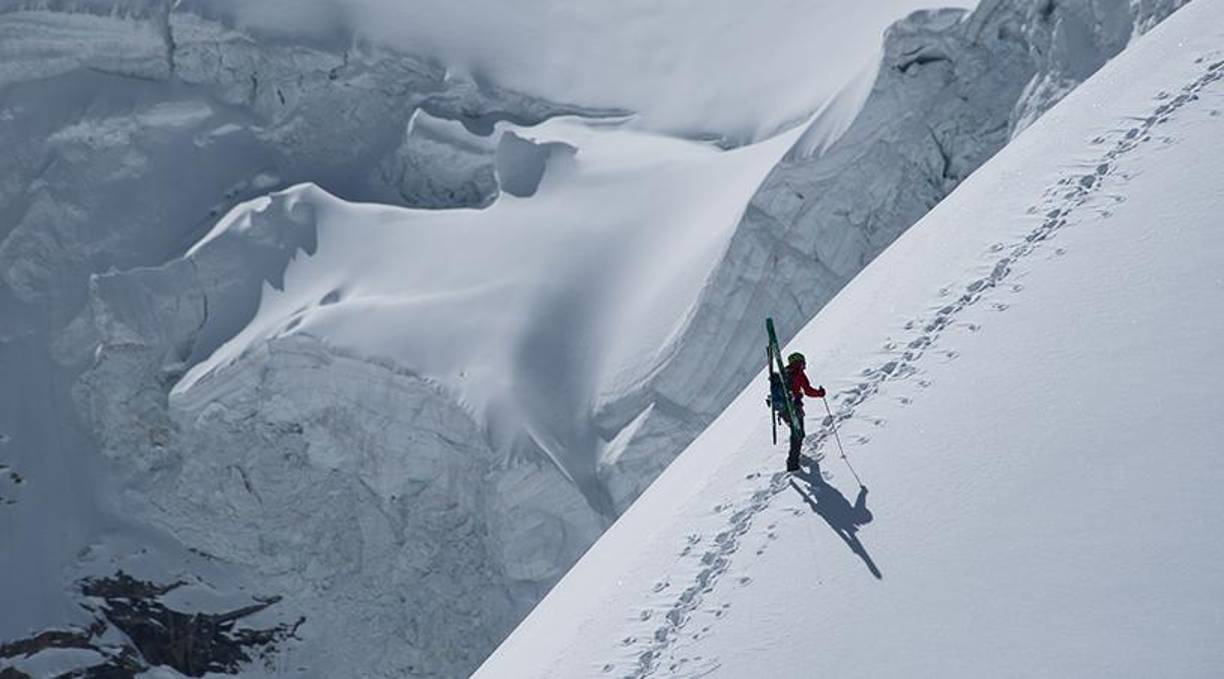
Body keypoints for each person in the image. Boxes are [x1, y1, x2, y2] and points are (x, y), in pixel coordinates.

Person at [784, 352, 825, 472]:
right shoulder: (799, 374)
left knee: (796, 432)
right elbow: (808, 390)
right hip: (795, 408)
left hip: (784, 410)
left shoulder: (784, 373)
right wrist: (820, 393)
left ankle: (794, 457)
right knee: (798, 434)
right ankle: (792, 462)